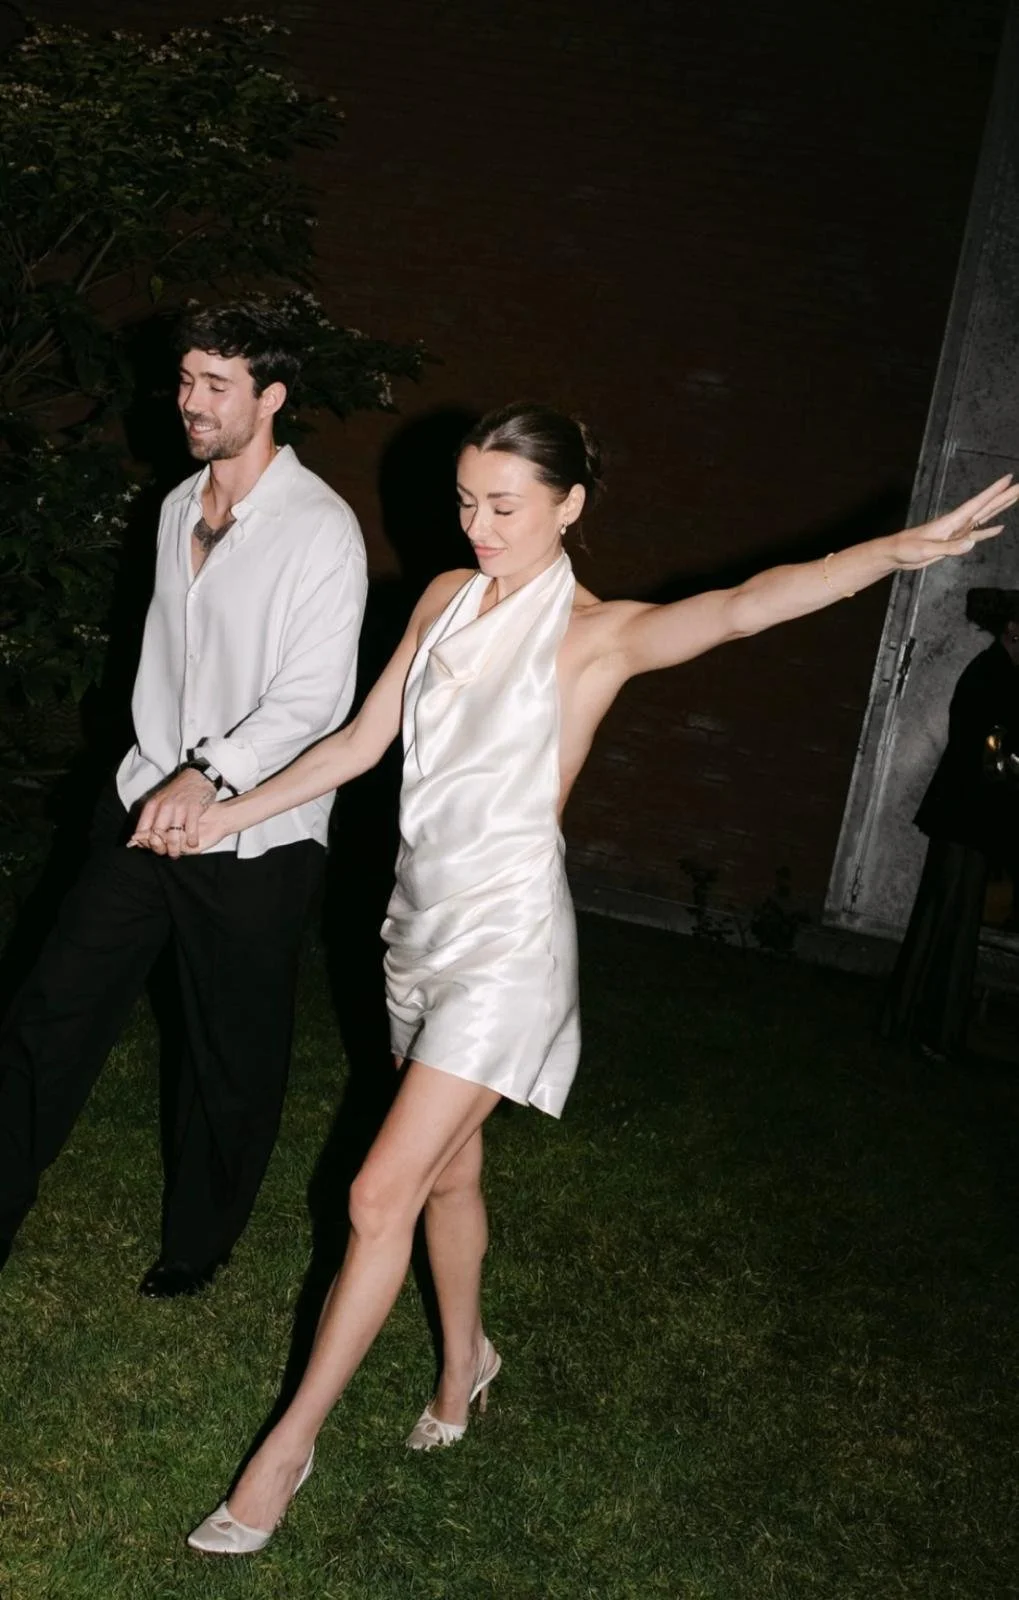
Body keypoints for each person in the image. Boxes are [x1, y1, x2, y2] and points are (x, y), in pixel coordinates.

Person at [132, 404, 1015, 1553]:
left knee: (375, 1192)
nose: (478, 526)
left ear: (569, 506)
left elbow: (745, 604)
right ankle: (464, 1365)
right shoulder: (444, 598)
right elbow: (357, 746)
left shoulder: (596, 638)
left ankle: (284, 1450)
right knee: (450, 1177)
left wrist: (889, 554)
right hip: (417, 929)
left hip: (506, 949)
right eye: (465, 502)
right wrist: (221, 812)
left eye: (504, 506)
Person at [0, 302, 367, 1297]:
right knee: (50, 1011)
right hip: (141, 809)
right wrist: (155, 766)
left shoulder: (321, 532)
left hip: (256, 840)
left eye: (215, 386)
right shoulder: (174, 506)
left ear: (271, 398)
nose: (189, 402)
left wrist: (208, 772)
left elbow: (312, 699)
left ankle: (196, 1244)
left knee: (228, 1057)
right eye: (185, 381)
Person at [880, 593, 1019, 1060]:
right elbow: (992, 753)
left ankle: (916, 1025)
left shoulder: (1000, 673)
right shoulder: (993, 674)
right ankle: (928, 1031)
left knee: (948, 916)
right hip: (967, 814)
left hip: (969, 815)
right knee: (951, 920)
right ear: (1013, 628)